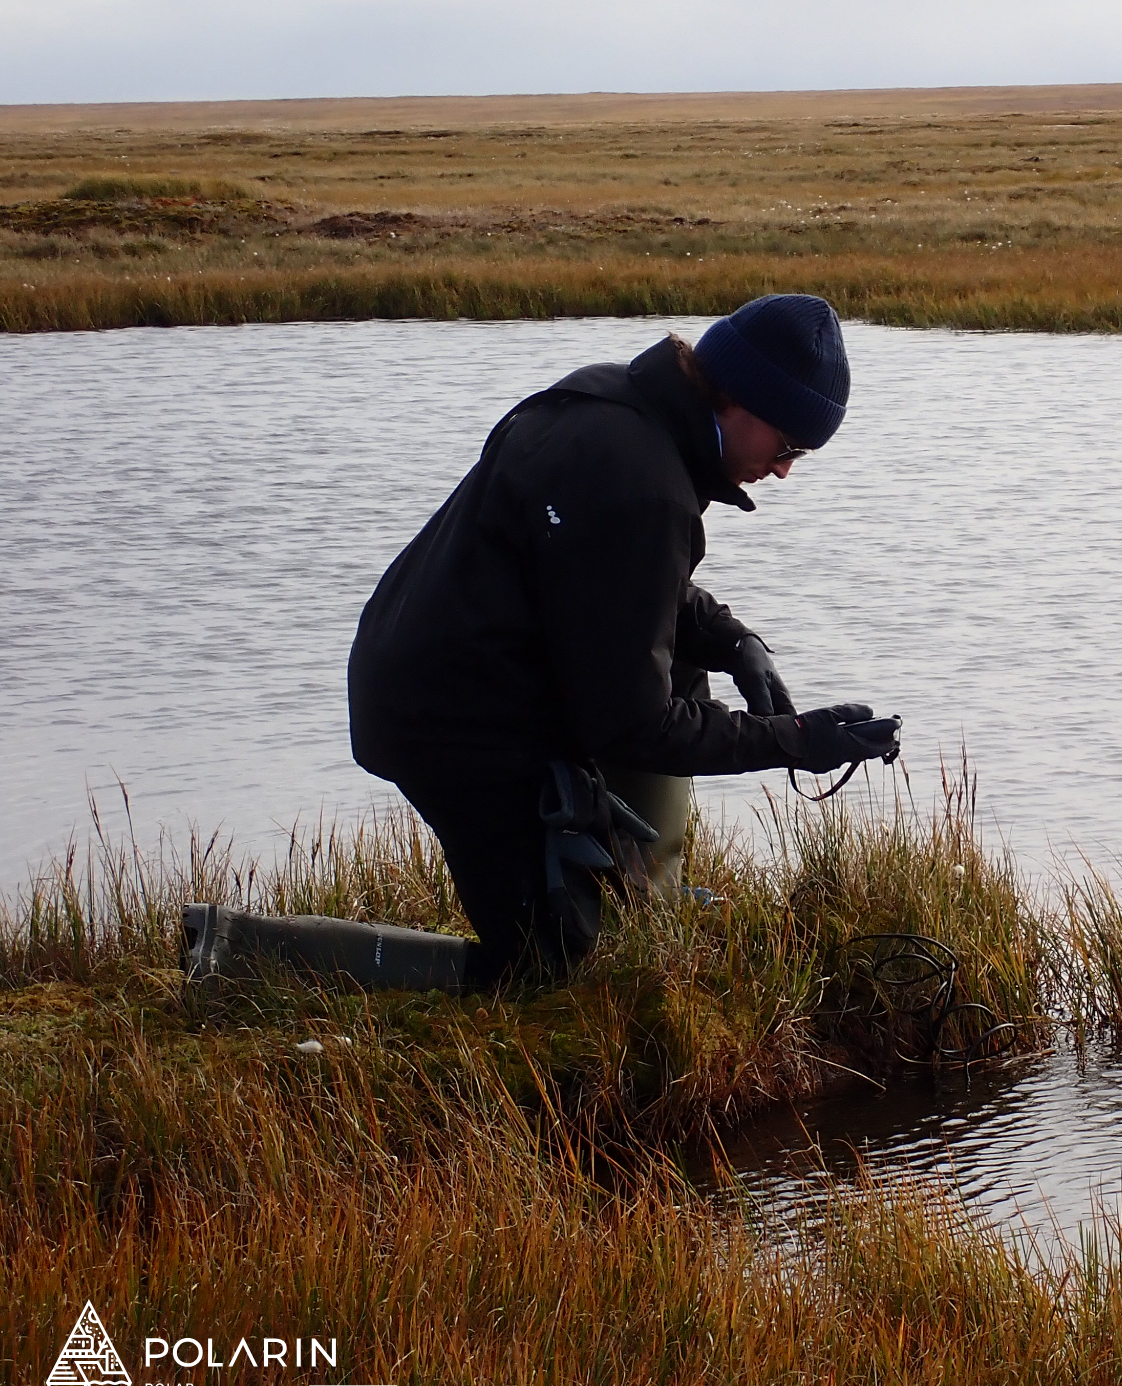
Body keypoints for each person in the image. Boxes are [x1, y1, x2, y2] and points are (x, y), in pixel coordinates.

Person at [182, 294, 898, 991]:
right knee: (548, 965)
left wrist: (734, 640)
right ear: (741, 399)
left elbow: (617, 583)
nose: (784, 470)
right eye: (790, 444)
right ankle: (236, 950)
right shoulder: (643, 484)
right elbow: (635, 726)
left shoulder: (614, 402)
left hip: (429, 669)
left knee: (676, 657)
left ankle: (637, 894)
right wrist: (795, 739)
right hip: (449, 724)